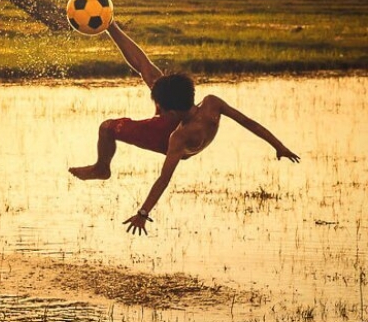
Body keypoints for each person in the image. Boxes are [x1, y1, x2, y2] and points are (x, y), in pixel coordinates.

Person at [69, 19, 299, 234]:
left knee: (107, 127)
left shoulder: (177, 137)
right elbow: (248, 123)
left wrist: (143, 212)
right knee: (148, 71)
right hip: (183, 117)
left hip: (167, 139)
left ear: (165, 110)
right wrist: (278, 146)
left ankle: (102, 168)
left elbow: (164, 178)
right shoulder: (211, 104)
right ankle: (112, 26)